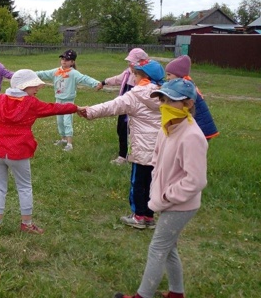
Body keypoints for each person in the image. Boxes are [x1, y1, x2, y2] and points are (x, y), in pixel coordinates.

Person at [0, 70, 83, 234]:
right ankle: (26, 224)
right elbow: (54, 108)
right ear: (24, 86)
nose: (37, 89)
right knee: (24, 187)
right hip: (19, 150)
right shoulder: (32, 104)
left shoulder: (0, 99)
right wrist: (75, 108)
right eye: (34, 86)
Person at [114, 78, 208, 298]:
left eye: (170, 101)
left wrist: (166, 196)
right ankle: (177, 293)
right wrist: (157, 190)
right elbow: (157, 159)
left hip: (180, 205)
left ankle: (143, 295)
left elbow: (195, 180)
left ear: (188, 104)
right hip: (167, 200)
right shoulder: (167, 127)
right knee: (169, 248)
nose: (164, 105)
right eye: (162, 99)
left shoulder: (193, 136)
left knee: (158, 247)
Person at [80, 59, 165, 229]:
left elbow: (112, 106)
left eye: (135, 74)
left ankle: (138, 216)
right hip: (162, 148)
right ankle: (149, 216)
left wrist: (89, 111)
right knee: (153, 182)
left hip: (142, 150)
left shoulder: (136, 94)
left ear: (143, 76)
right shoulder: (166, 94)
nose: (132, 77)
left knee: (139, 183)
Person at [35, 49, 101, 151]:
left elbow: (85, 78)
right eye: (62, 59)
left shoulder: (74, 73)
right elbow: (43, 73)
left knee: (67, 121)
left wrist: (96, 83)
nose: (64, 61)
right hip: (58, 101)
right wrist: (29, 74)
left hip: (68, 102)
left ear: (72, 62)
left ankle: (69, 144)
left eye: (67, 60)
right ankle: (63, 139)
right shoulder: (56, 71)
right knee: (60, 121)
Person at [99, 48, 149, 164]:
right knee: (121, 129)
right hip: (124, 107)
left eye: (132, 62)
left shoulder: (145, 78)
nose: (129, 64)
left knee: (131, 131)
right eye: (129, 62)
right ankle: (124, 154)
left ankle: (128, 155)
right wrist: (104, 82)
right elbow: (117, 79)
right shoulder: (128, 73)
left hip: (136, 109)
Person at [164, 55, 219, 140]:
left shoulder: (184, 88)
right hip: (197, 122)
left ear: (179, 74)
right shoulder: (187, 84)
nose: (167, 78)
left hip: (201, 125)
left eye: (169, 74)